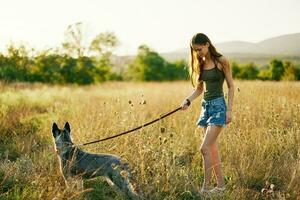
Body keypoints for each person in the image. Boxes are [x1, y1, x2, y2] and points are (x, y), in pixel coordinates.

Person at [181, 33, 234, 196]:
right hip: (206, 108)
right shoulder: (201, 64)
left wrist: (229, 110)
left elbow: (231, 86)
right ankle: (221, 188)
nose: (198, 53)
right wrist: (187, 101)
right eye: (195, 51)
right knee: (212, 150)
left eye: (199, 49)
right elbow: (199, 90)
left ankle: (206, 188)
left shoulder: (221, 61)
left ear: (207, 44)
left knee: (204, 149)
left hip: (219, 106)